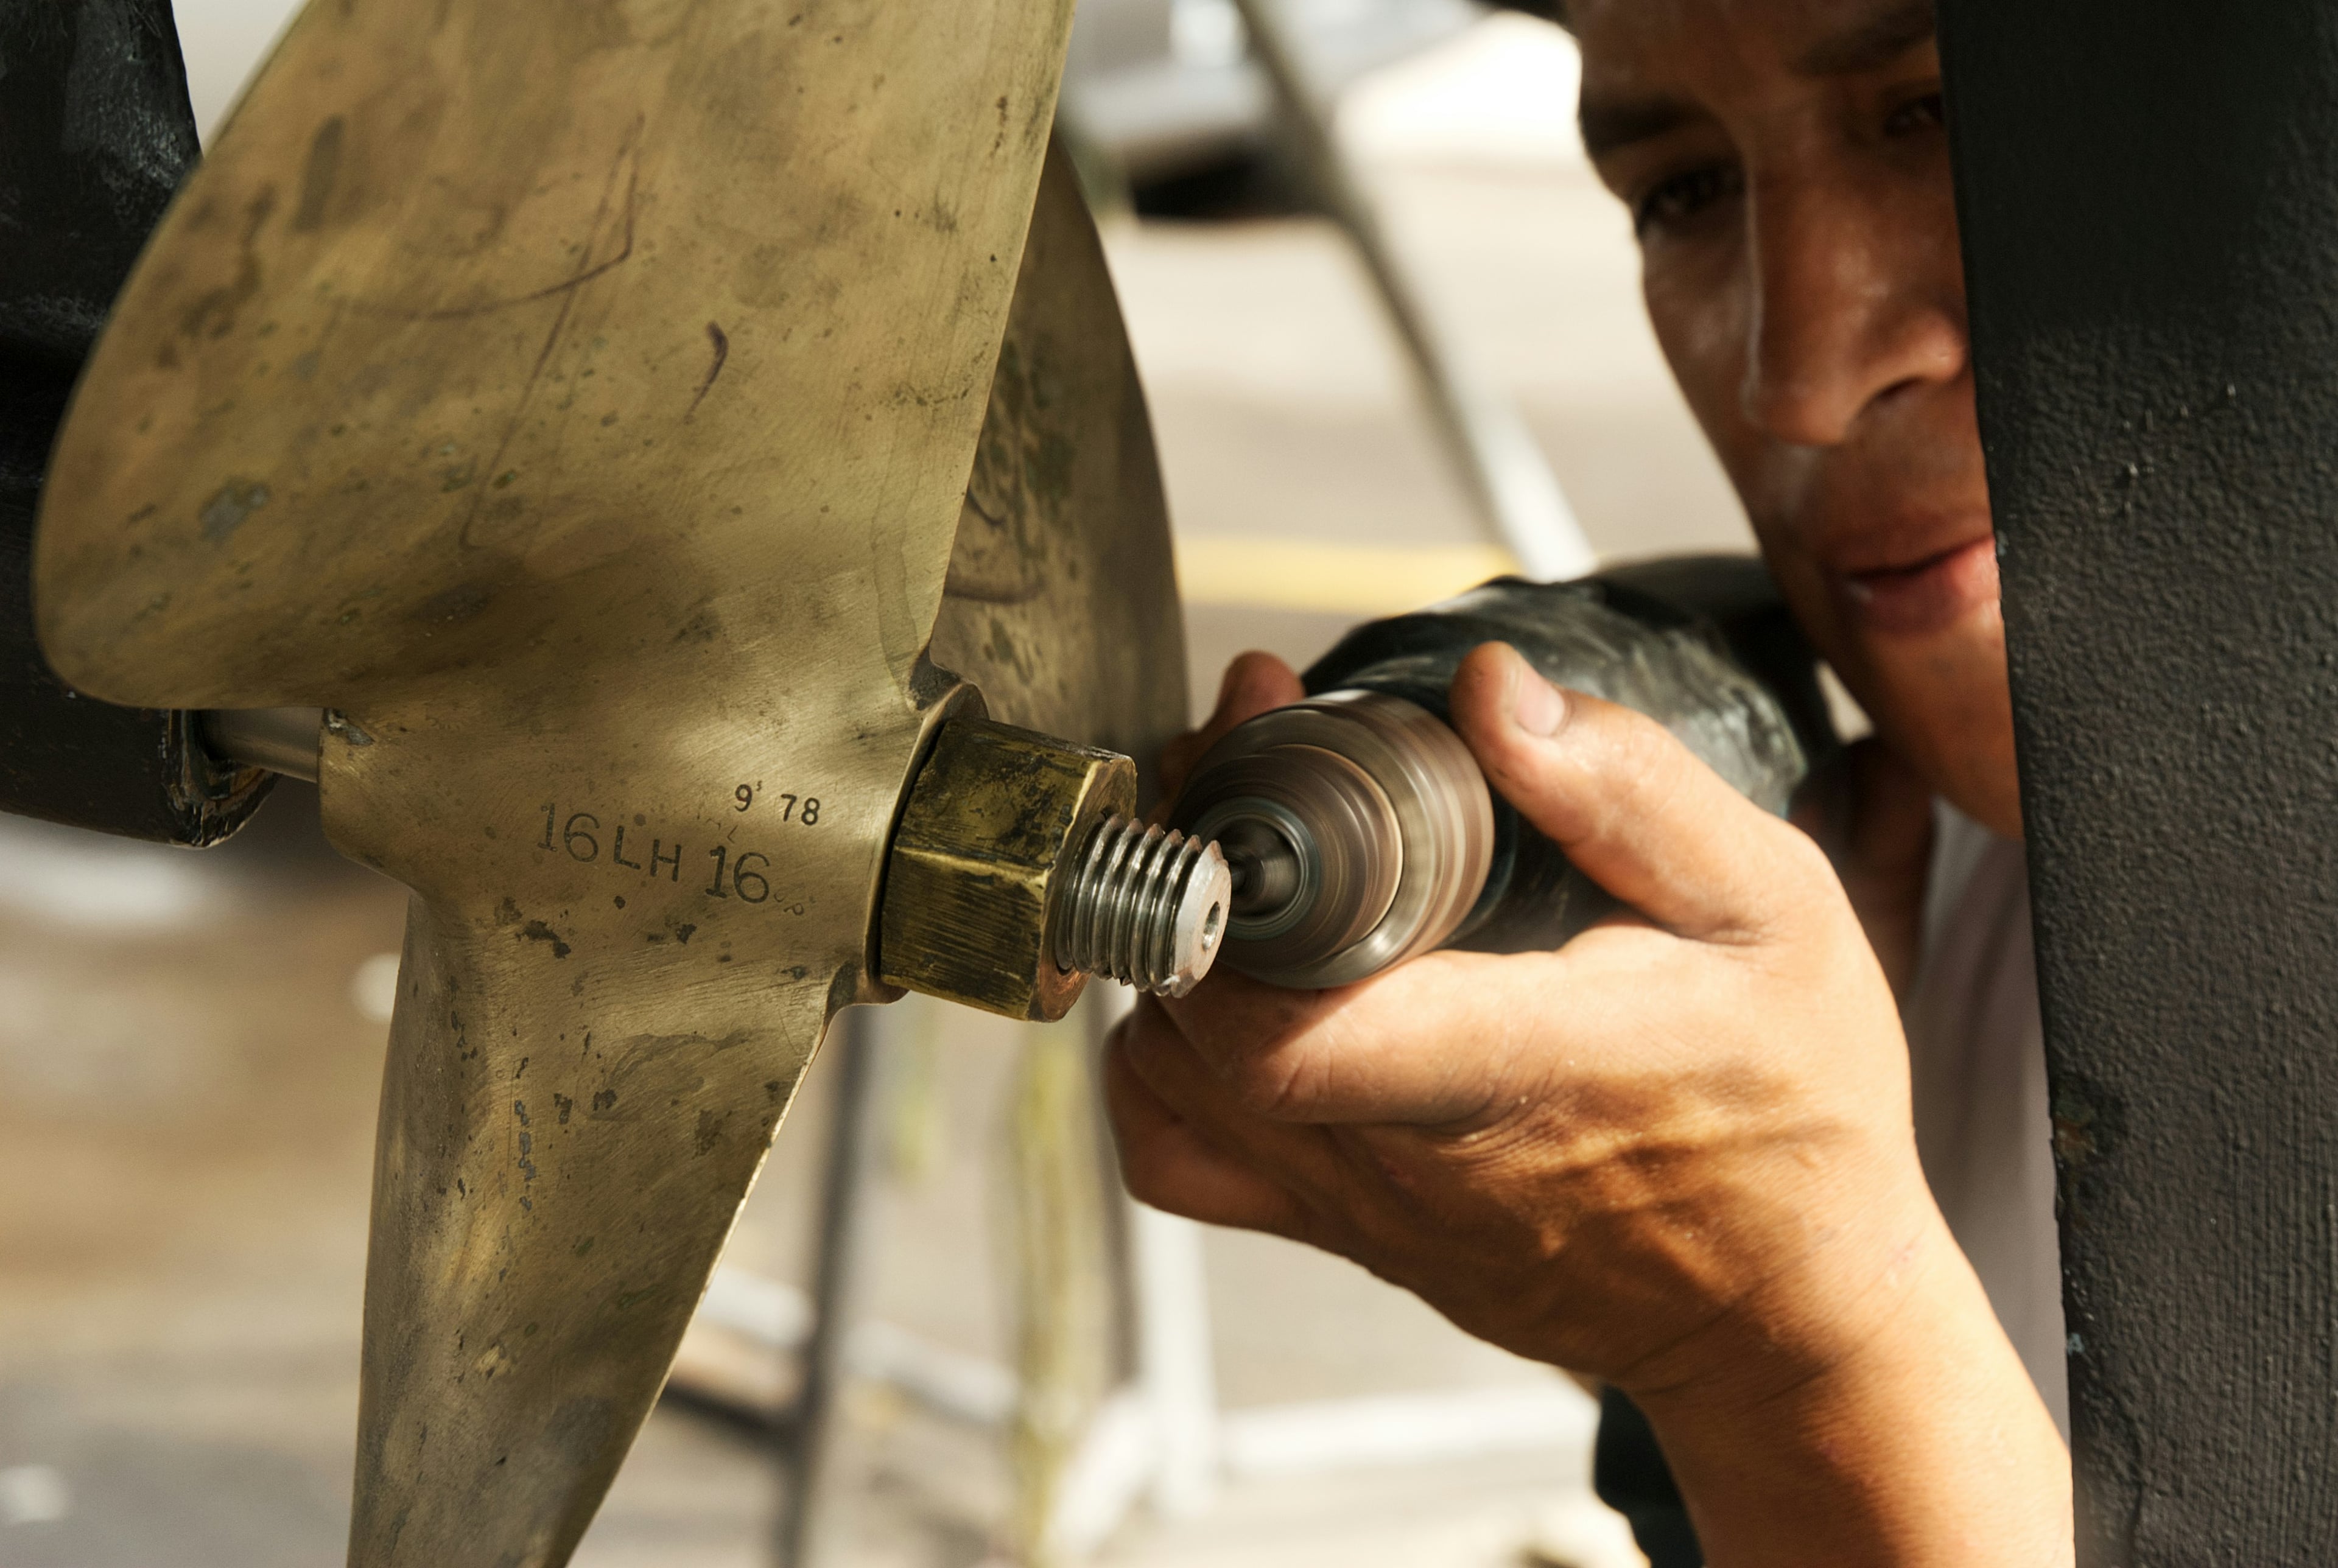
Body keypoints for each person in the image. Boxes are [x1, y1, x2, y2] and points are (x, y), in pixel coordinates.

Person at [1103, 0, 2074, 1562]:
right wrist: (1677, 1313)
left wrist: (1794, 1338)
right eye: (1683, 191)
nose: (1800, 376)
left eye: (1938, 114)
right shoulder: (1903, 873)